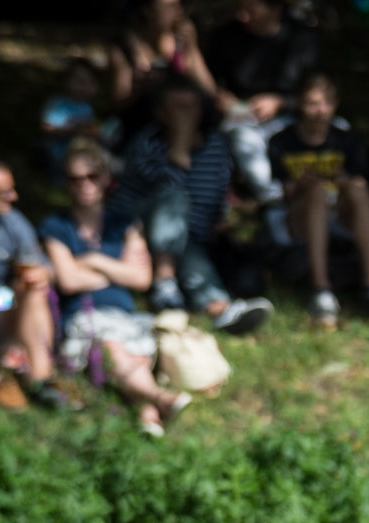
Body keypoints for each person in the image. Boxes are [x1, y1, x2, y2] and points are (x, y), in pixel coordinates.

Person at [41, 141, 190, 435]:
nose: (85, 184)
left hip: (125, 315)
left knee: (125, 354)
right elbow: (68, 281)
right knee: (112, 349)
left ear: (106, 178)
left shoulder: (124, 222)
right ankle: (159, 400)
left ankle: (147, 415)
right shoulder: (56, 226)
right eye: (75, 178)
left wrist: (92, 260)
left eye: (92, 175)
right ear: (66, 183)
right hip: (84, 319)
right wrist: (118, 270)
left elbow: (142, 279)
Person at [108, 77, 273, 334]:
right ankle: (165, 281)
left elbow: (218, 189)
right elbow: (167, 188)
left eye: (192, 107)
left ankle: (219, 309)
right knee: (175, 198)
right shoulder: (147, 143)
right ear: (161, 113)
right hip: (134, 232)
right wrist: (180, 148)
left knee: (189, 250)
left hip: (185, 238)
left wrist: (219, 219)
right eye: (179, 107)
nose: (188, 114)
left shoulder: (216, 144)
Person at [268, 74, 369, 326]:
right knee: (316, 192)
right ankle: (321, 288)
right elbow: (282, 191)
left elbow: (358, 181)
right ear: (298, 103)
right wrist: (308, 183)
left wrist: (341, 181)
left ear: (336, 103)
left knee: (359, 192)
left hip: (338, 214)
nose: (320, 111)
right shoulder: (281, 141)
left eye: (326, 103)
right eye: (312, 104)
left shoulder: (345, 139)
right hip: (298, 218)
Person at [0, 153, 67, 414]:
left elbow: (44, 266)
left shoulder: (12, 222)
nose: (13, 197)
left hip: (1, 306)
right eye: (3, 192)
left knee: (33, 289)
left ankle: (41, 380)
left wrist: (41, 274)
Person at [203, 0, 319, 206]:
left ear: (275, 7)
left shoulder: (302, 38)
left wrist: (281, 102)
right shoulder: (226, 37)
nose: (242, 17)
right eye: (240, 9)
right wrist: (222, 97)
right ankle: (274, 199)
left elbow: (316, 90)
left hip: (291, 116)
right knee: (243, 138)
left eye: (250, 11)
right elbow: (210, 81)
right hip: (242, 114)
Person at [109, 0, 213, 116]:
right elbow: (117, 104)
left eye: (178, 5)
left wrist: (192, 48)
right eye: (170, 6)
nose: (177, 11)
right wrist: (141, 89)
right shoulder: (125, 48)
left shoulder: (182, 43)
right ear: (147, 10)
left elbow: (209, 91)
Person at [41, 58, 110, 182]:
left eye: (89, 82)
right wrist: (72, 130)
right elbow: (47, 128)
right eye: (79, 81)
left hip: (81, 152)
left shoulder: (87, 107)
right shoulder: (58, 104)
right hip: (58, 154)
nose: (84, 86)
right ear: (65, 80)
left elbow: (90, 128)